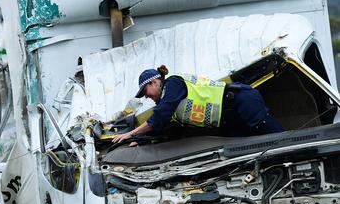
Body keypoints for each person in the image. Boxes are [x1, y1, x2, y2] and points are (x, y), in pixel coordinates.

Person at [112, 65, 284, 143]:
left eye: (145, 92)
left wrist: (132, 134)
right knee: (240, 149)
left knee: (278, 137)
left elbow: (160, 115)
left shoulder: (173, 84)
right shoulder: (169, 101)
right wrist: (140, 140)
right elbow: (163, 127)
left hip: (242, 101)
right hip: (230, 117)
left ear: (155, 82)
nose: (147, 97)